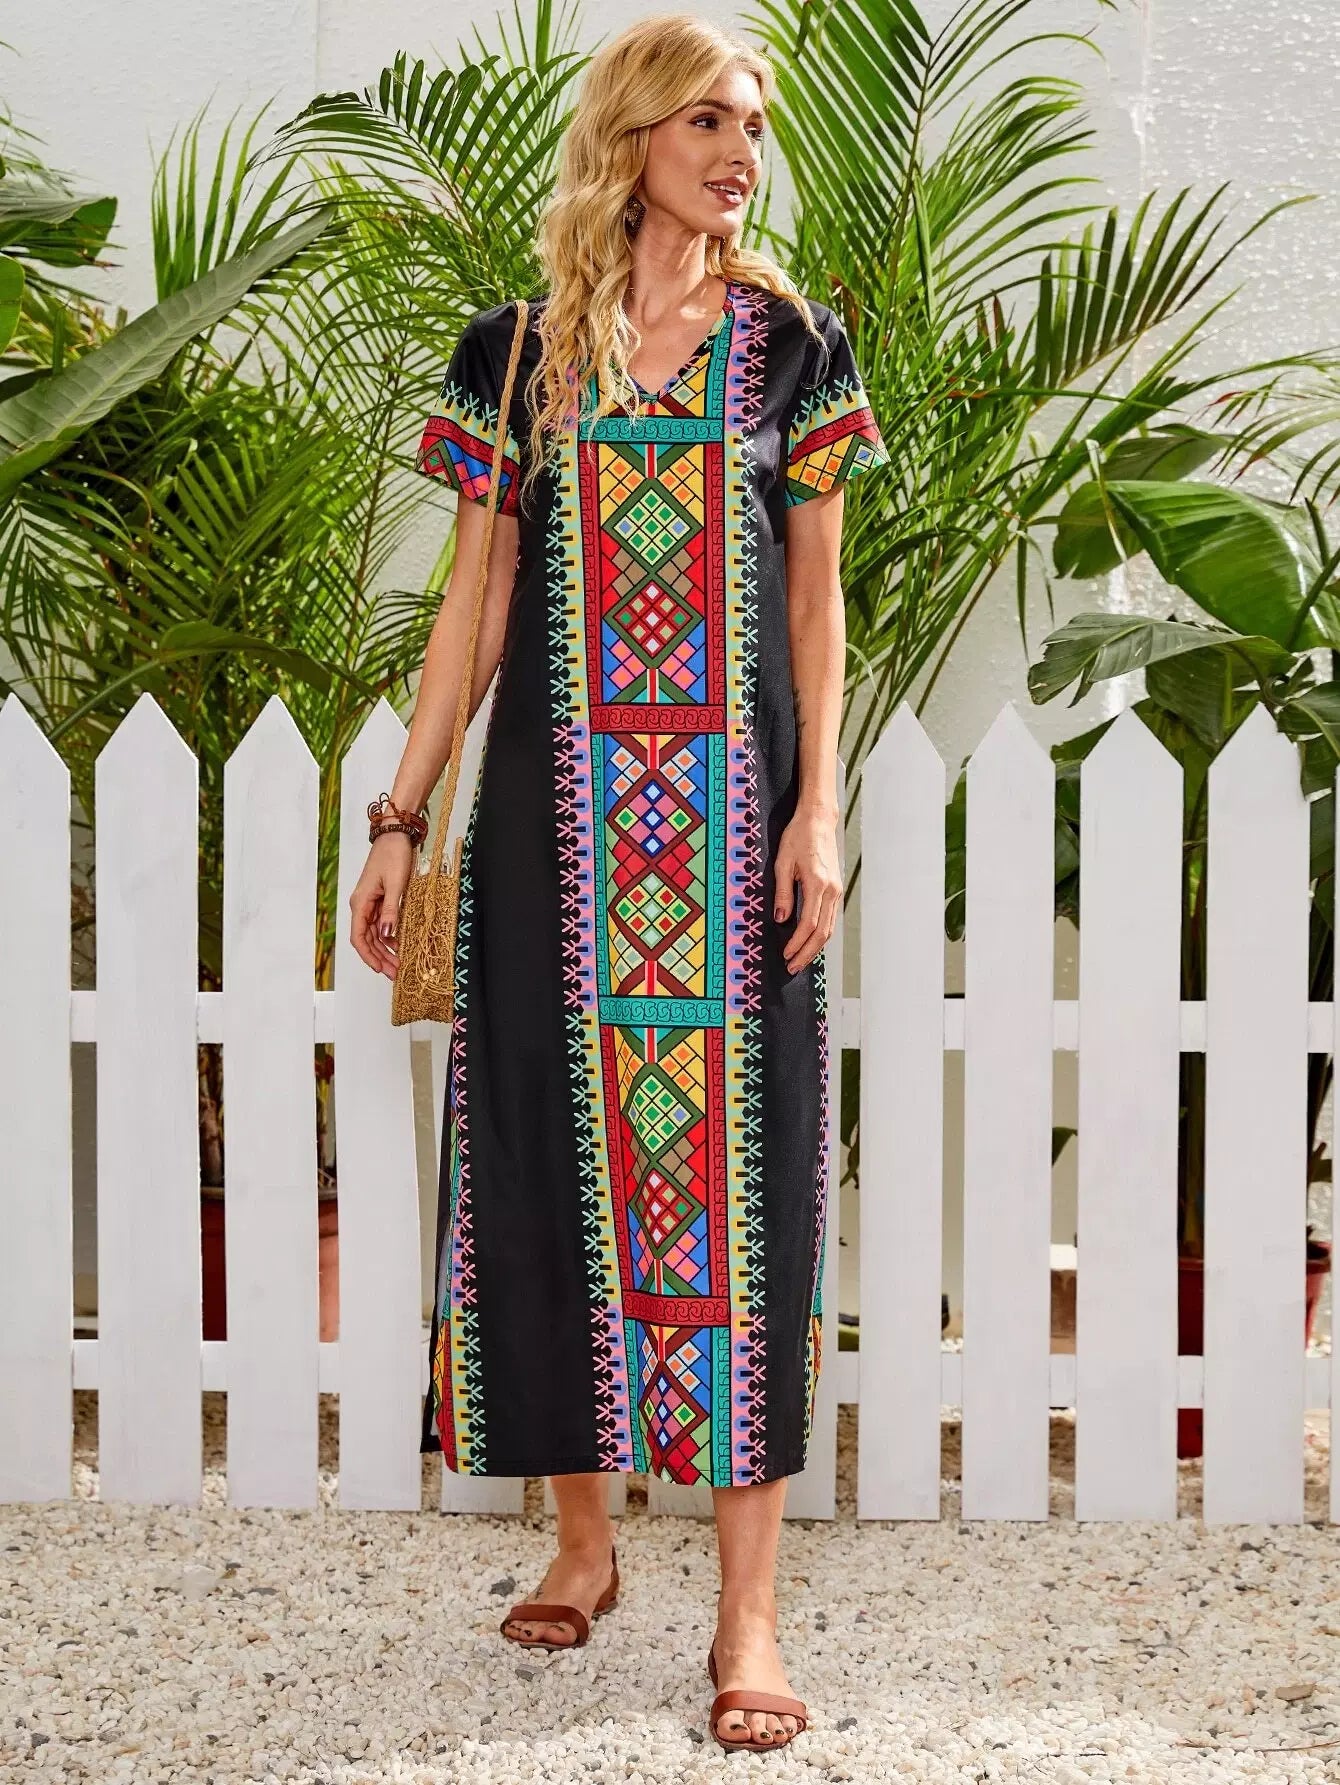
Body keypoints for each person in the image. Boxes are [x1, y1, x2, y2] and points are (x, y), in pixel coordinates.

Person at [349, 11, 887, 1753]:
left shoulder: (796, 351)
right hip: (549, 835)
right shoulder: (516, 355)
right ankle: (584, 1544)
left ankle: (748, 1612)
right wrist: (401, 813)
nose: (740, 152)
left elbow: (816, 600)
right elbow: (477, 600)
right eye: (708, 120)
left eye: (755, 125)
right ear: (633, 135)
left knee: (745, 1195)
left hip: (734, 844)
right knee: (545, 1160)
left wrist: (818, 811)